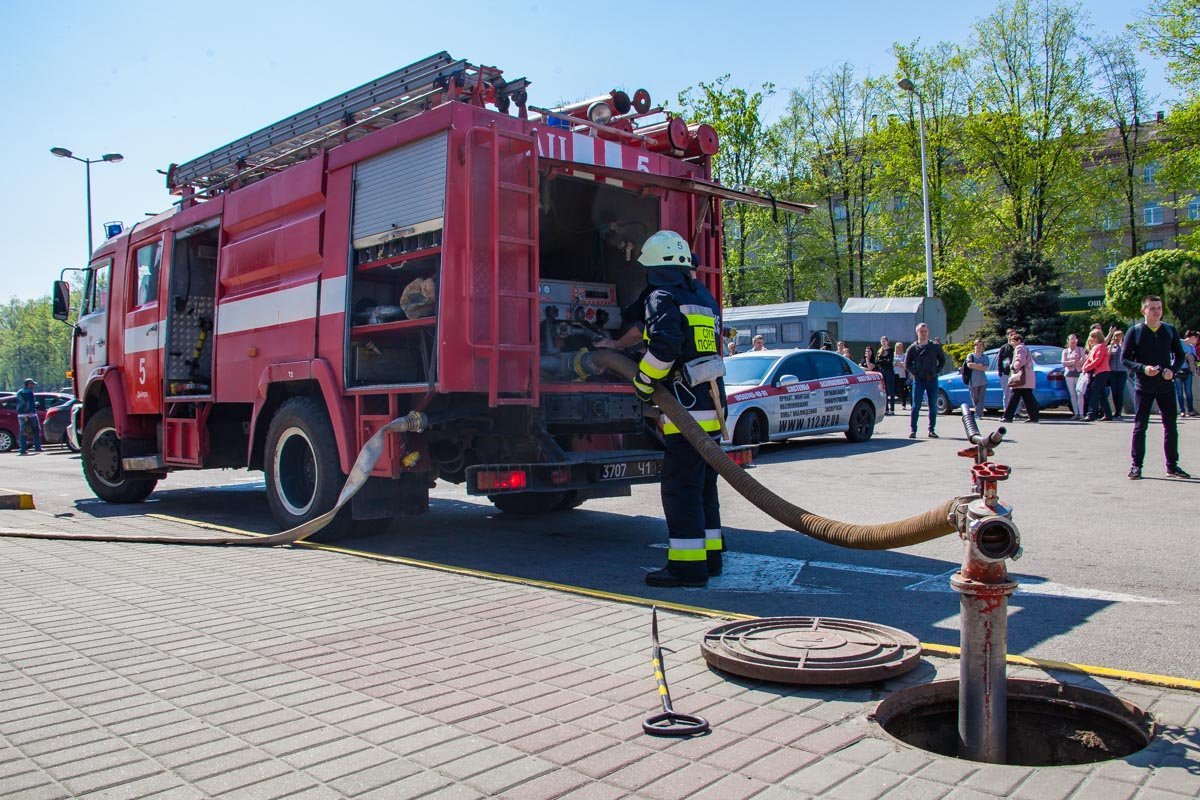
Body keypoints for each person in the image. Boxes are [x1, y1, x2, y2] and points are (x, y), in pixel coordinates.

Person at [631, 230, 726, 587]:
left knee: (680, 489)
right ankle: (711, 558)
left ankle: (687, 567)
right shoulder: (702, 294)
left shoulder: (661, 296)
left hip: (685, 409)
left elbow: (666, 345)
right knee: (704, 486)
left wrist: (643, 381)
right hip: (712, 404)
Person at [1122, 295, 1189, 479]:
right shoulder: (1134, 331)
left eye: (1159, 308)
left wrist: (1172, 371)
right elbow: (1125, 359)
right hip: (1143, 386)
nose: (1157, 311)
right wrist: (1143, 368)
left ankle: (1172, 466)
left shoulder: (1169, 330)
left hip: (1165, 385)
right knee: (1140, 427)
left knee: (1170, 427)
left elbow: (1180, 355)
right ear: (1143, 310)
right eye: (1152, 308)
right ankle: (1136, 466)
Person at [904, 323, 946, 439]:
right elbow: (907, 364)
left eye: (925, 331)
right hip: (919, 380)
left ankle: (931, 430)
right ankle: (913, 430)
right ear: (917, 332)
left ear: (928, 332)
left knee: (933, 405)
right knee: (916, 405)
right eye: (921, 331)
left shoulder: (935, 346)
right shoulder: (912, 348)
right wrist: (916, 373)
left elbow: (942, 361)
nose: (923, 333)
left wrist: (936, 371)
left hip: (932, 379)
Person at [1001, 332, 1040, 423]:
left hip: (1022, 377)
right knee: (1027, 398)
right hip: (1027, 378)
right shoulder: (1025, 348)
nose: (1011, 343)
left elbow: (1020, 361)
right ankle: (1034, 416)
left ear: (1018, 341)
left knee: (1014, 397)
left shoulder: (1019, 348)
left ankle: (1008, 416)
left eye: (1012, 341)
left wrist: (1012, 366)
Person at [1081, 329, 1113, 422]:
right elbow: (1089, 360)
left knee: (1093, 392)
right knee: (1101, 394)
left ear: (1097, 338)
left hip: (1102, 372)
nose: (1090, 339)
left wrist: (1087, 368)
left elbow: (1098, 360)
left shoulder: (1101, 346)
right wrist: (1084, 367)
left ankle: (1091, 414)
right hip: (1097, 372)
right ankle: (1108, 414)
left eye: (1093, 337)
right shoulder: (1094, 347)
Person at [1061, 333, 1087, 420]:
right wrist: (1073, 362)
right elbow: (1064, 363)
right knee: (1072, 394)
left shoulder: (1080, 349)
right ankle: (1076, 413)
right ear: (1068, 341)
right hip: (1069, 374)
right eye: (1071, 339)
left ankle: (1081, 413)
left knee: (1079, 393)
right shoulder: (1065, 351)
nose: (1073, 341)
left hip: (1079, 373)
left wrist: (1074, 363)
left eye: (1074, 339)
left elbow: (1083, 361)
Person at [16, 378, 43, 456]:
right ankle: (37, 447)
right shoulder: (29, 393)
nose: (33, 386)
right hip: (31, 414)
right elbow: (30, 404)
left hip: (20, 415)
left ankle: (22, 449)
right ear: (28, 384)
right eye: (32, 384)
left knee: (22, 431)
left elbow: (19, 403)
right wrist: (30, 411)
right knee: (36, 430)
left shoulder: (19, 392)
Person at [1106, 327, 1127, 420]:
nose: (1118, 338)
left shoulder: (1125, 346)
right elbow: (1108, 356)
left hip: (1122, 371)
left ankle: (1119, 411)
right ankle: (1116, 411)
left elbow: (1125, 355)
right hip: (1113, 371)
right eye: (1116, 337)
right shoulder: (1111, 346)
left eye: (1120, 336)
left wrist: (1121, 344)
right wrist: (1111, 346)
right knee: (1114, 391)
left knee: (1120, 391)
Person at [965, 339, 989, 418]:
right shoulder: (971, 356)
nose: (978, 347)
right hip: (973, 381)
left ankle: (978, 414)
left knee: (981, 398)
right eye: (977, 345)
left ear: (983, 347)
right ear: (974, 346)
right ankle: (978, 412)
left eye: (980, 345)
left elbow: (985, 368)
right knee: (975, 398)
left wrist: (975, 366)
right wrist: (979, 366)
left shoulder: (985, 356)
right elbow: (969, 365)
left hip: (983, 381)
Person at [996, 329, 1017, 414]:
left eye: (1014, 335)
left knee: (1016, 394)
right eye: (1011, 335)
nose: (1013, 337)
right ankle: (1006, 412)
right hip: (1006, 374)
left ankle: (1016, 412)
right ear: (1007, 336)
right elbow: (999, 361)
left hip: (1015, 374)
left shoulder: (1017, 347)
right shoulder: (1004, 347)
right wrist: (1000, 373)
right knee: (1007, 394)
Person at [1177, 330, 1197, 417]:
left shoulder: (1192, 347)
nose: (1196, 341)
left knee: (1188, 391)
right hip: (1178, 370)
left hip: (1188, 371)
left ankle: (1190, 410)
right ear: (1192, 337)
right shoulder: (1179, 342)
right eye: (1196, 338)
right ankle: (1182, 410)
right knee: (1179, 391)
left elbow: (1195, 360)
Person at [876, 336, 896, 414]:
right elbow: (877, 362)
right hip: (882, 371)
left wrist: (882, 361)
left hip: (889, 371)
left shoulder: (891, 350)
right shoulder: (879, 351)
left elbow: (889, 361)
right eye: (881, 341)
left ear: (887, 341)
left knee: (891, 390)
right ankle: (886, 409)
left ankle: (892, 409)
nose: (883, 342)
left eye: (884, 341)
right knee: (884, 391)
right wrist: (883, 360)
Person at [894, 342, 909, 409]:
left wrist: (898, 363)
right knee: (893, 388)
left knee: (901, 389)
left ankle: (904, 403)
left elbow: (905, 365)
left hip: (901, 374)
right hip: (894, 373)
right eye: (898, 347)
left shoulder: (904, 355)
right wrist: (899, 363)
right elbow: (891, 363)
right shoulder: (893, 354)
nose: (899, 348)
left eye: (900, 347)